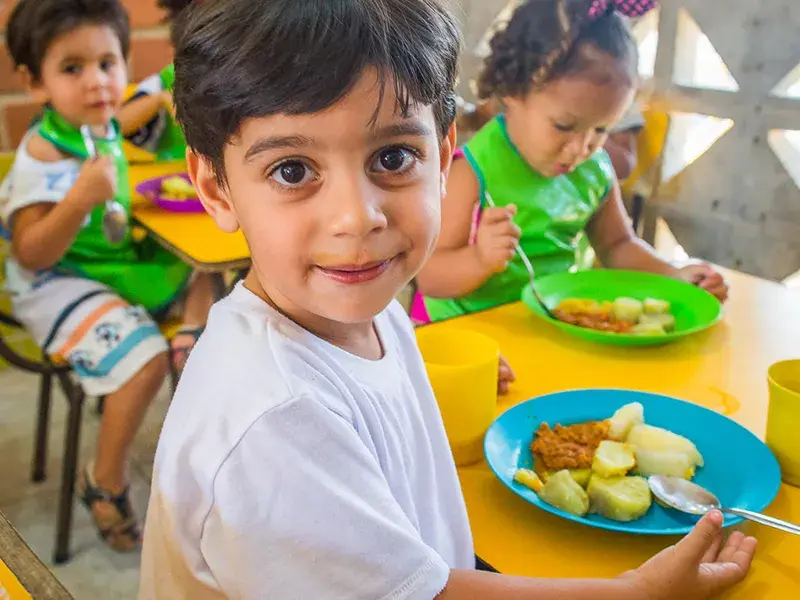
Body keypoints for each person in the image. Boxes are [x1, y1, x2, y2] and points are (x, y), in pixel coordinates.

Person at [139, 0, 756, 597]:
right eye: (293, 171)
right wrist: (637, 594)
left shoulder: (363, 309)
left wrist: (418, 390)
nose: (358, 218)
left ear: (443, 156)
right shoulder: (271, 423)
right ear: (215, 188)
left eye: (393, 157)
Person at [1, 0, 214, 551]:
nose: (97, 82)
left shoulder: (101, 128)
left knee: (205, 272)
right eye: (72, 68)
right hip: (56, 283)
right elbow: (30, 254)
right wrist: (77, 200)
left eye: (108, 63)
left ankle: (191, 338)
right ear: (35, 82)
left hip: (108, 266)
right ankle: (103, 480)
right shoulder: (43, 152)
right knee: (143, 363)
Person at [416, 0, 728, 325]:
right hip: (467, 334)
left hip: (547, 328)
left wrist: (673, 275)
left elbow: (618, 244)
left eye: (602, 129)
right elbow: (428, 277)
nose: (581, 148)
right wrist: (479, 259)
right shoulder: (473, 170)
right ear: (512, 90)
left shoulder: (595, 170)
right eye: (564, 126)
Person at [116, 0, 189, 161]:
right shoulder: (165, 80)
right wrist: (159, 99)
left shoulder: (230, 85)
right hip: (165, 172)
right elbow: (118, 124)